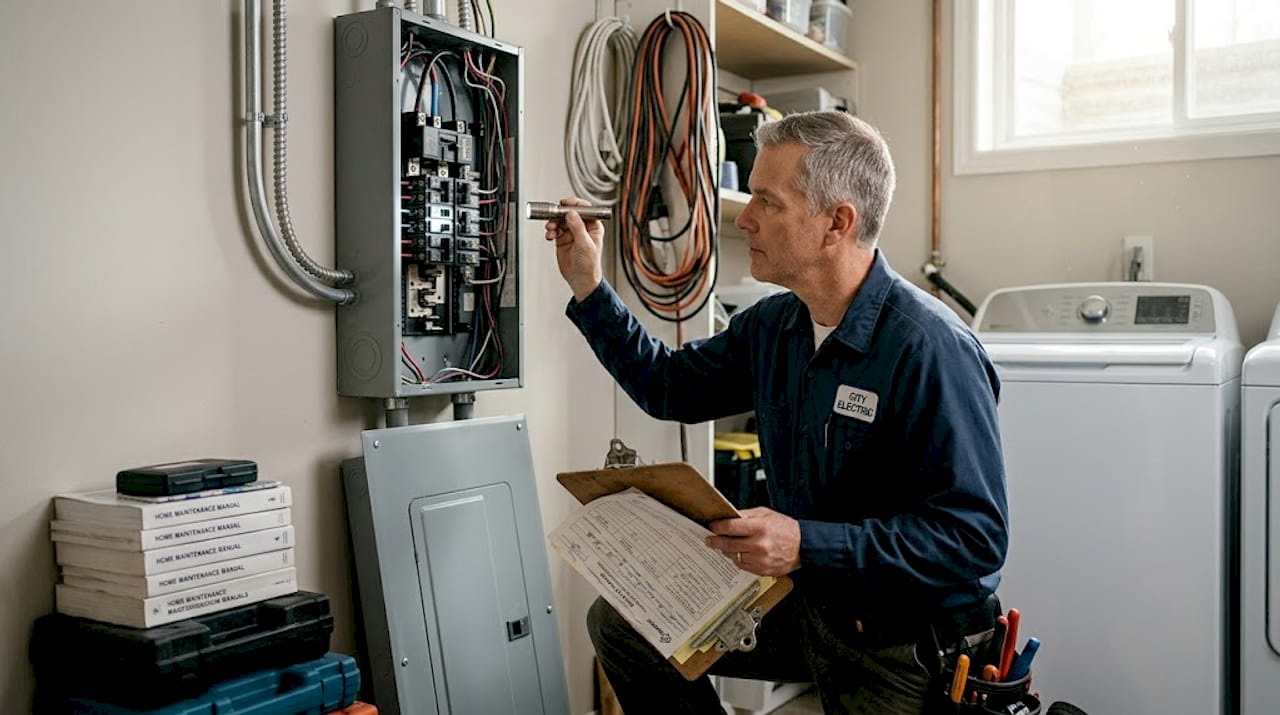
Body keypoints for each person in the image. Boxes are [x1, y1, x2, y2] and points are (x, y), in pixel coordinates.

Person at [546, 111, 1008, 714]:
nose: (745, 218)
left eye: (768, 200)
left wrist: (803, 544)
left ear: (836, 223)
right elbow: (669, 387)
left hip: (905, 643)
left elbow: (974, 538)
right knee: (622, 622)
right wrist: (589, 287)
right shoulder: (776, 326)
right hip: (811, 608)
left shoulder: (930, 348)